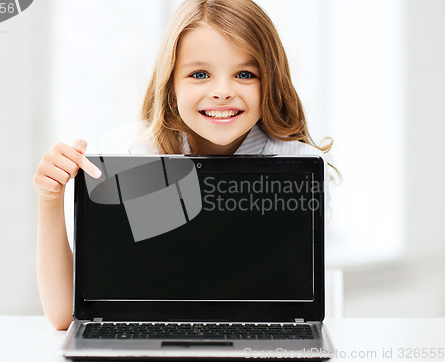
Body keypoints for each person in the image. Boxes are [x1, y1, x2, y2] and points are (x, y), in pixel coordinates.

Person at [33, 0, 334, 330]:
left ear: (271, 82)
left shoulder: (298, 166)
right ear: (171, 84)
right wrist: (50, 199)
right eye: (200, 74)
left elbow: (288, 303)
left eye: (245, 74)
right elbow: (65, 315)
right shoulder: (129, 157)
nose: (222, 92)